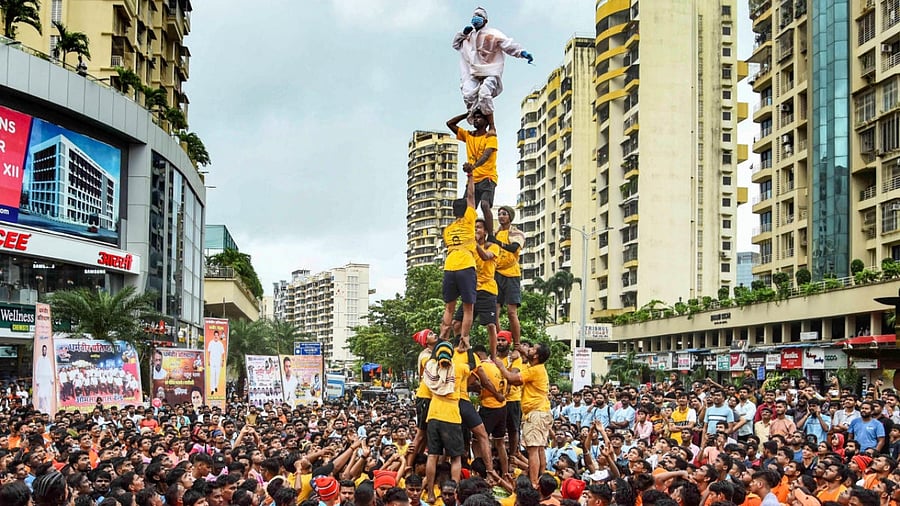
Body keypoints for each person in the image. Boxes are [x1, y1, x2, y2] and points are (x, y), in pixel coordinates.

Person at [451, 6, 532, 130]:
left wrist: (522, 53)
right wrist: (463, 33)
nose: (476, 19)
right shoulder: (468, 36)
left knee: (484, 94)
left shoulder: (492, 34)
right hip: (473, 71)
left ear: (485, 21)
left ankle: (492, 126)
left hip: (491, 70)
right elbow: (455, 44)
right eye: (474, 16)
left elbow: (508, 45)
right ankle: (476, 120)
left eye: (479, 17)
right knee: (468, 95)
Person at [494, 342, 552, 487]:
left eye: (532, 348)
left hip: (536, 413)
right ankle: (541, 477)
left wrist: (500, 365)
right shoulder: (534, 367)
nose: (529, 349)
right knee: (538, 448)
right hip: (540, 411)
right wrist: (521, 351)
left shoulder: (536, 370)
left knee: (533, 450)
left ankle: (534, 483)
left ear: (537, 355)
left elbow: (513, 379)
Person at [451, 218, 500, 356]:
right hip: (471, 290)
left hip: (487, 290)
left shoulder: (493, 246)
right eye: (473, 227)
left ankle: (494, 356)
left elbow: (485, 257)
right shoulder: (468, 249)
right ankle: (462, 349)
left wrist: (474, 244)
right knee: (456, 323)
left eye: (478, 227)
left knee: (490, 325)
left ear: (485, 231)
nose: (475, 230)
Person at [439, 171, 477, 347]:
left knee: (449, 307)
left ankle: (443, 337)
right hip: (466, 265)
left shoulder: (447, 229)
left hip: (449, 266)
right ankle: (464, 338)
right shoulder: (469, 220)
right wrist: (470, 176)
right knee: (468, 307)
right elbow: (471, 195)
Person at [447, 110, 497, 236]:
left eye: (479, 118)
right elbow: (450, 124)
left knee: (485, 205)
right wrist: (467, 114)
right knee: (464, 208)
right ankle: (465, 232)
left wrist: (473, 166)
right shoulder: (468, 135)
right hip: (473, 180)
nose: (476, 120)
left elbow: (486, 155)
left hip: (487, 177)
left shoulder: (490, 137)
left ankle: (490, 236)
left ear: (486, 121)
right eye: (474, 118)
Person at [492, 206, 525, 346]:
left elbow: (514, 248)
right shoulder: (495, 232)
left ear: (510, 217)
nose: (501, 216)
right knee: (495, 311)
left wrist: (497, 242)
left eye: (504, 214)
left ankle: (517, 343)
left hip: (511, 275)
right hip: (496, 273)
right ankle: (501, 339)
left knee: (512, 312)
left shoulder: (516, 233)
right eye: (499, 214)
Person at [35, 344, 54, 413]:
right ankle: (41, 410)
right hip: (41, 381)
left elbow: (50, 370)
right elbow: (36, 370)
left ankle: (48, 412)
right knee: (41, 397)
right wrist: (37, 381)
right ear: (42, 351)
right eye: (43, 350)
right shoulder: (39, 359)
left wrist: (52, 379)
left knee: (48, 397)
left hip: (47, 381)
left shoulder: (48, 359)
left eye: (45, 350)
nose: (44, 351)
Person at [207, 330, 226, 397]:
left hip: (218, 361)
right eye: (215, 335)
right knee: (212, 375)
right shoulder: (211, 343)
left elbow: (223, 353)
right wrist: (208, 360)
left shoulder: (220, 344)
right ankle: (212, 389)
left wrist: (223, 361)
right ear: (214, 336)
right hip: (212, 361)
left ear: (218, 336)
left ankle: (215, 386)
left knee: (217, 375)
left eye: (217, 335)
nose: (216, 336)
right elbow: (208, 352)